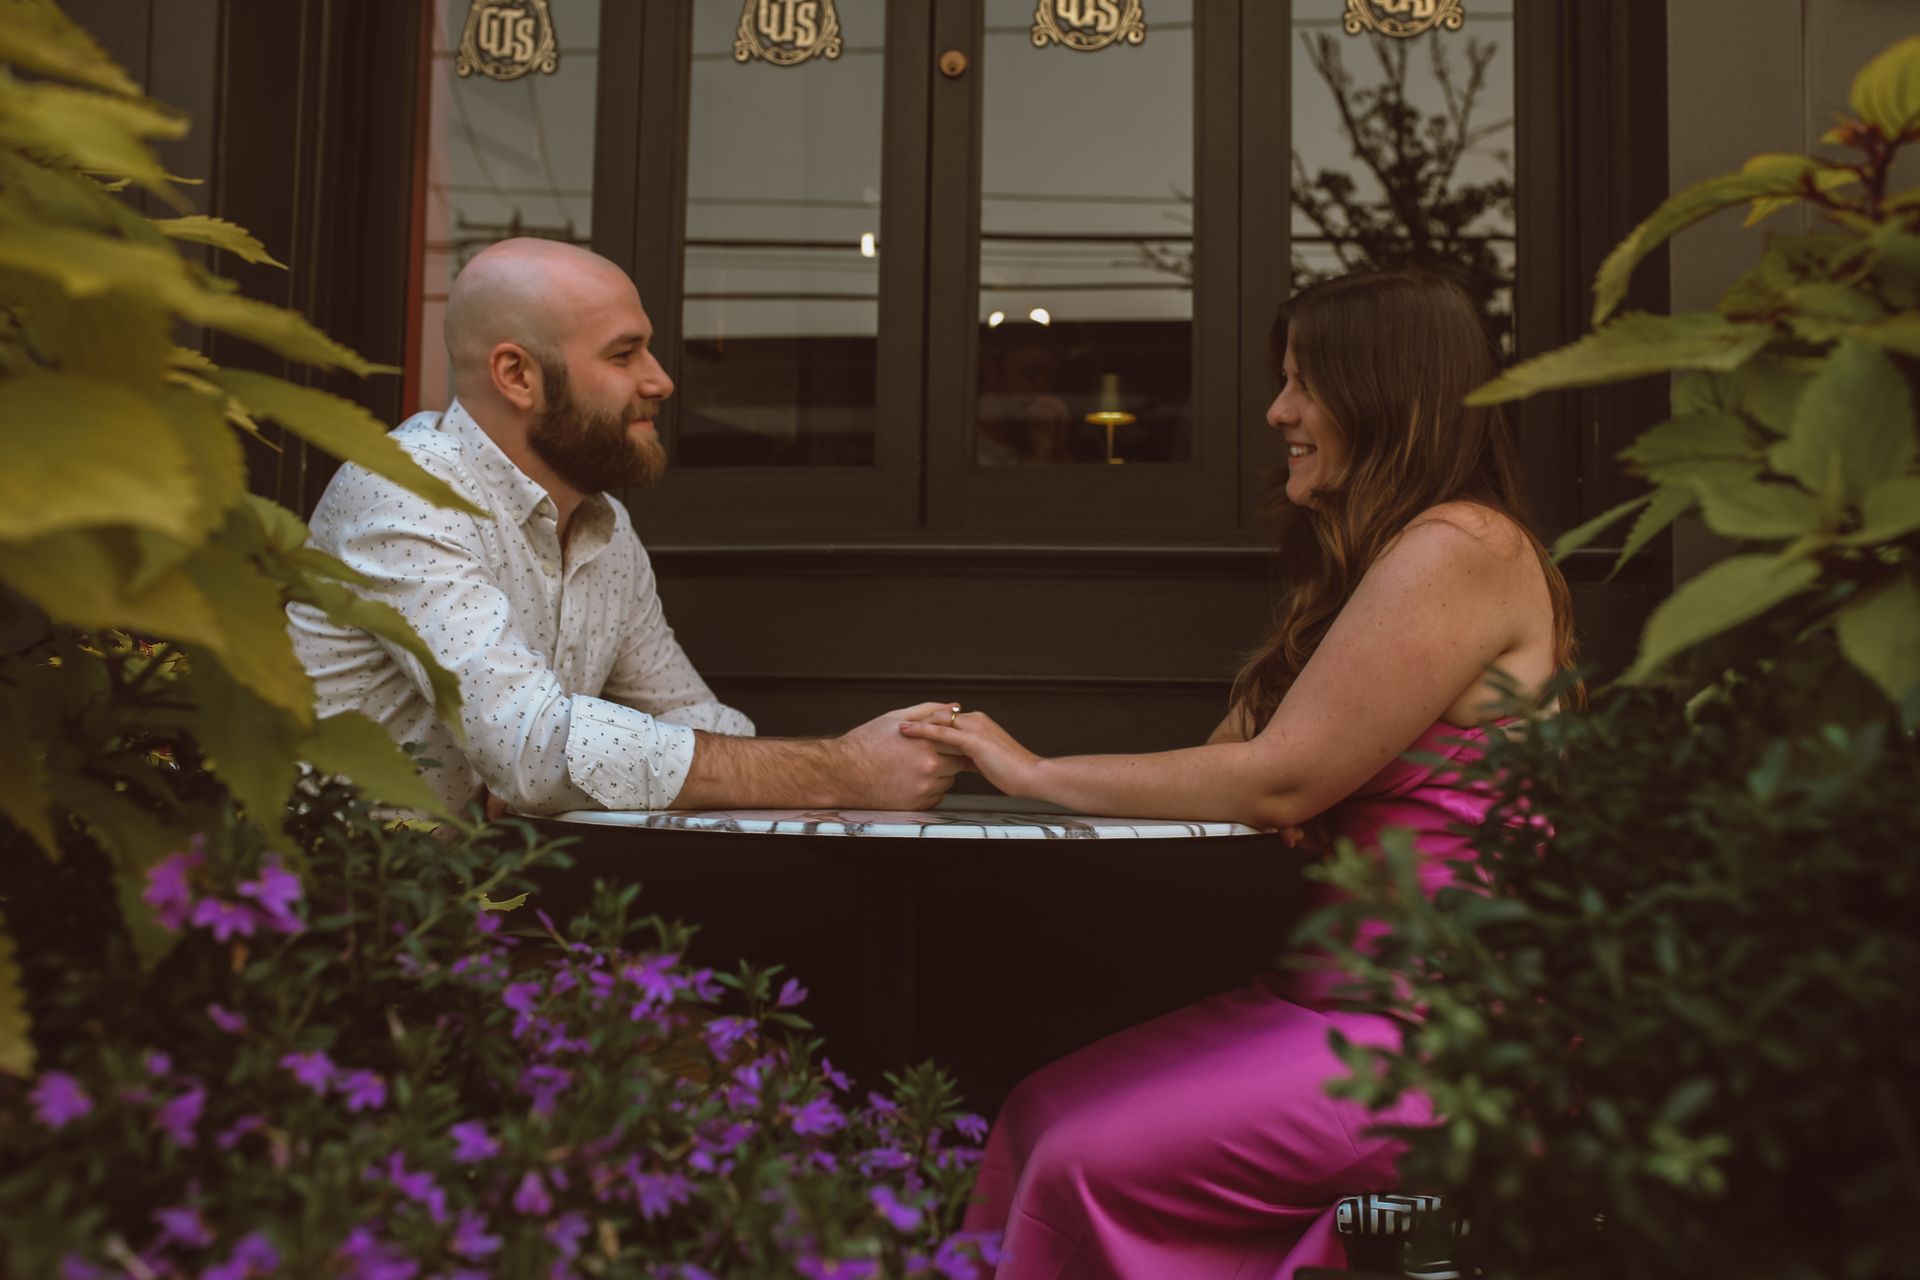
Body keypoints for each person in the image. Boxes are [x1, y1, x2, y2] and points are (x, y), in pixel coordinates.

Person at [900, 269, 1578, 1277]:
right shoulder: (1387, 560)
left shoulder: (1462, 546)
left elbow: (1275, 784)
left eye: (1304, 383)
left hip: (1438, 1033)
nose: (1279, 412)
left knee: (1087, 1158)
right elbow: (1238, 756)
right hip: (1331, 1000)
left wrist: (1033, 771)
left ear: (1382, 393)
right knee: (1037, 1112)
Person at [290, 238, 962, 817]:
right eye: (625, 354)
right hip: (325, 925)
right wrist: (840, 770)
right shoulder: (406, 493)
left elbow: (686, 720)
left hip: (475, 912)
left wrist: (872, 756)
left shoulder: (602, 526)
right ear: (517, 374)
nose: (662, 381)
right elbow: (534, 750)